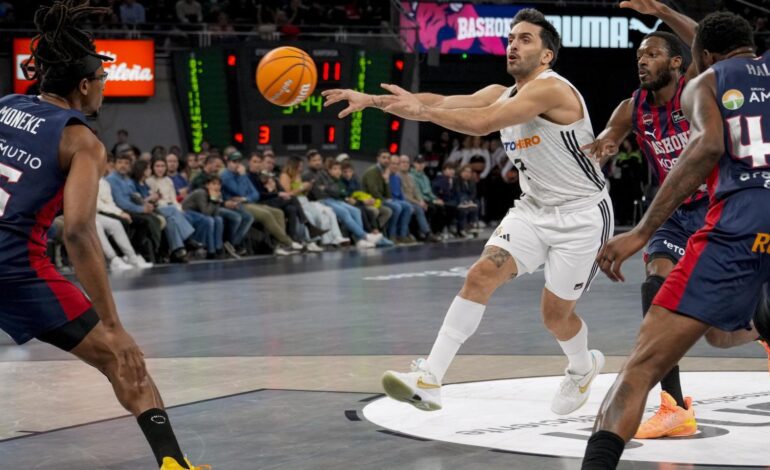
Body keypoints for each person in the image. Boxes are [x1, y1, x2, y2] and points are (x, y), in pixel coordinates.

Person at [324, 8, 612, 414]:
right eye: (511, 39)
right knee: (480, 275)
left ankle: (583, 367)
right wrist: (372, 101)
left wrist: (423, 113)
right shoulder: (501, 91)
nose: (513, 45)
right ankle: (430, 380)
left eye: (525, 39)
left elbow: (483, 123)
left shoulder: (553, 90)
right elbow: (439, 101)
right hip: (533, 209)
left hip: (582, 215)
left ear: (547, 56)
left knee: (555, 316)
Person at [0, 2, 207, 469]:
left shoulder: (5, 106)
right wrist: (113, 325)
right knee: (121, 358)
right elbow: (77, 231)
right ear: (84, 85)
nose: (105, 91)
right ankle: (175, 465)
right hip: (15, 269)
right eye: (104, 82)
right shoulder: (81, 141)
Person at [581, 12, 769, 469]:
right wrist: (599, 148)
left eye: (651, 53)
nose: (642, 61)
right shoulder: (634, 106)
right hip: (677, 215)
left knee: (654, 356)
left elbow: (705, 147)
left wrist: (639, 229)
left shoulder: (701, 85)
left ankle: (757, 326)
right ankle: (676, 404)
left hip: (725, 212)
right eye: (638, 55)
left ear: (690, 59)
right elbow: (608, 137)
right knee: (662, 290)